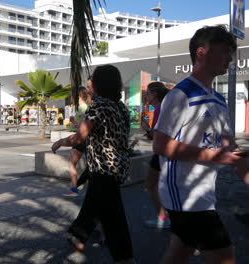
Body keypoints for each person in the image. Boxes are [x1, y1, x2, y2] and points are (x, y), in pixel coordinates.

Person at [154, 26, 249, 264]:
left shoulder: (218, 99)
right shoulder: (179, 95)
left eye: (231, 53)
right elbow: (160, 144)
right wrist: (213, 156)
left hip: (205, 194)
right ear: (201, 52)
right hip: (184, 196)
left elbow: (229, 148)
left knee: (179, 253)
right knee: (225, 256)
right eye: (225, 52)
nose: (230, 58)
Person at [52, 65, 134, 264]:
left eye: (93, 81)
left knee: (114, 218)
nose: (90, 86)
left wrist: (61, 142)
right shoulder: (120, 107)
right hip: (117, 166)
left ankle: (124, 257)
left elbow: (80, 136)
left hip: (103, 168)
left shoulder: (99, 106)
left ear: (98, 84)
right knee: (97, 206)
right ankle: (78, 236)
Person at [141, 82, 171, 229]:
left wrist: (146, 127)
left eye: (147, 93)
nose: (146, 95)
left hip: (162, 153)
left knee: (150, 184)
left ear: (154, 95)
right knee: (159, 185)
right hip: (166, 152)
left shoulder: (159, 109)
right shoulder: (163, 107)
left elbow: (156, 135)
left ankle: (163, 218)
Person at [63, 86, 92, 196]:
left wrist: (74, 124)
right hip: (86, 139)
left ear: (79, 96)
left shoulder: (82, 108)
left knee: (71, 164)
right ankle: (76, 187)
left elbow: (83, 125)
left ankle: (74, 189)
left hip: (81, 139)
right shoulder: (86, 107)